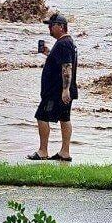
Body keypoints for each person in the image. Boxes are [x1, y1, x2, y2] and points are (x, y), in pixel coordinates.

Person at [27, 13, 78, 162]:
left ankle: (43, 151)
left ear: (61, 27)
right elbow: (61, 61)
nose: (49, 27)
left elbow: (67, 67)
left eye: (51, 25)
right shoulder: (66, 43)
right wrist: (47, 52)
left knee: (41, 116)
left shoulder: (64, 43)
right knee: (64, 118)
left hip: (56, 92)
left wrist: (65, 89)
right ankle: (64, 152)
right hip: (60, 90)